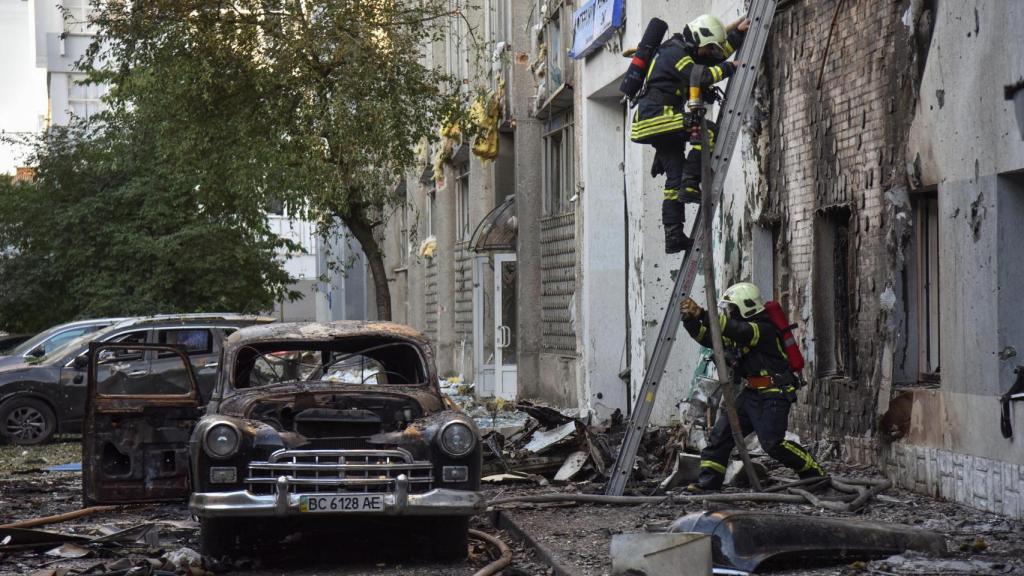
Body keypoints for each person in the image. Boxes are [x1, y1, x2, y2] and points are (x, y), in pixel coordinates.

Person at [679, 282, 825, 491]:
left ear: (744, 307)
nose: (729, 313)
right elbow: (711, 339)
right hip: (751, 394)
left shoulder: (762, 329)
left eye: (732, 308)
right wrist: (691, 322)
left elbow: (738, 330)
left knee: (773, 444)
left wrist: (702, 313)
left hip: (774, 395)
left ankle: (815, 475)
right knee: (721, 436)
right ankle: (709, 483)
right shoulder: (739, 332)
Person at [630, 14, 749, 254]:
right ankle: (691, 184)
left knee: (673, 177)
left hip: (656, 121)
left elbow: (711, 58)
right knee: (709, 132)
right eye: (707, 48)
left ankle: (673, 235)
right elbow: (701, 75)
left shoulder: (682, 53)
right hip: (656, 118)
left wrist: (737, 34)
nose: (709, 52)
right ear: (699, 38)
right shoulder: (674, 54)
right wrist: (729, 68)